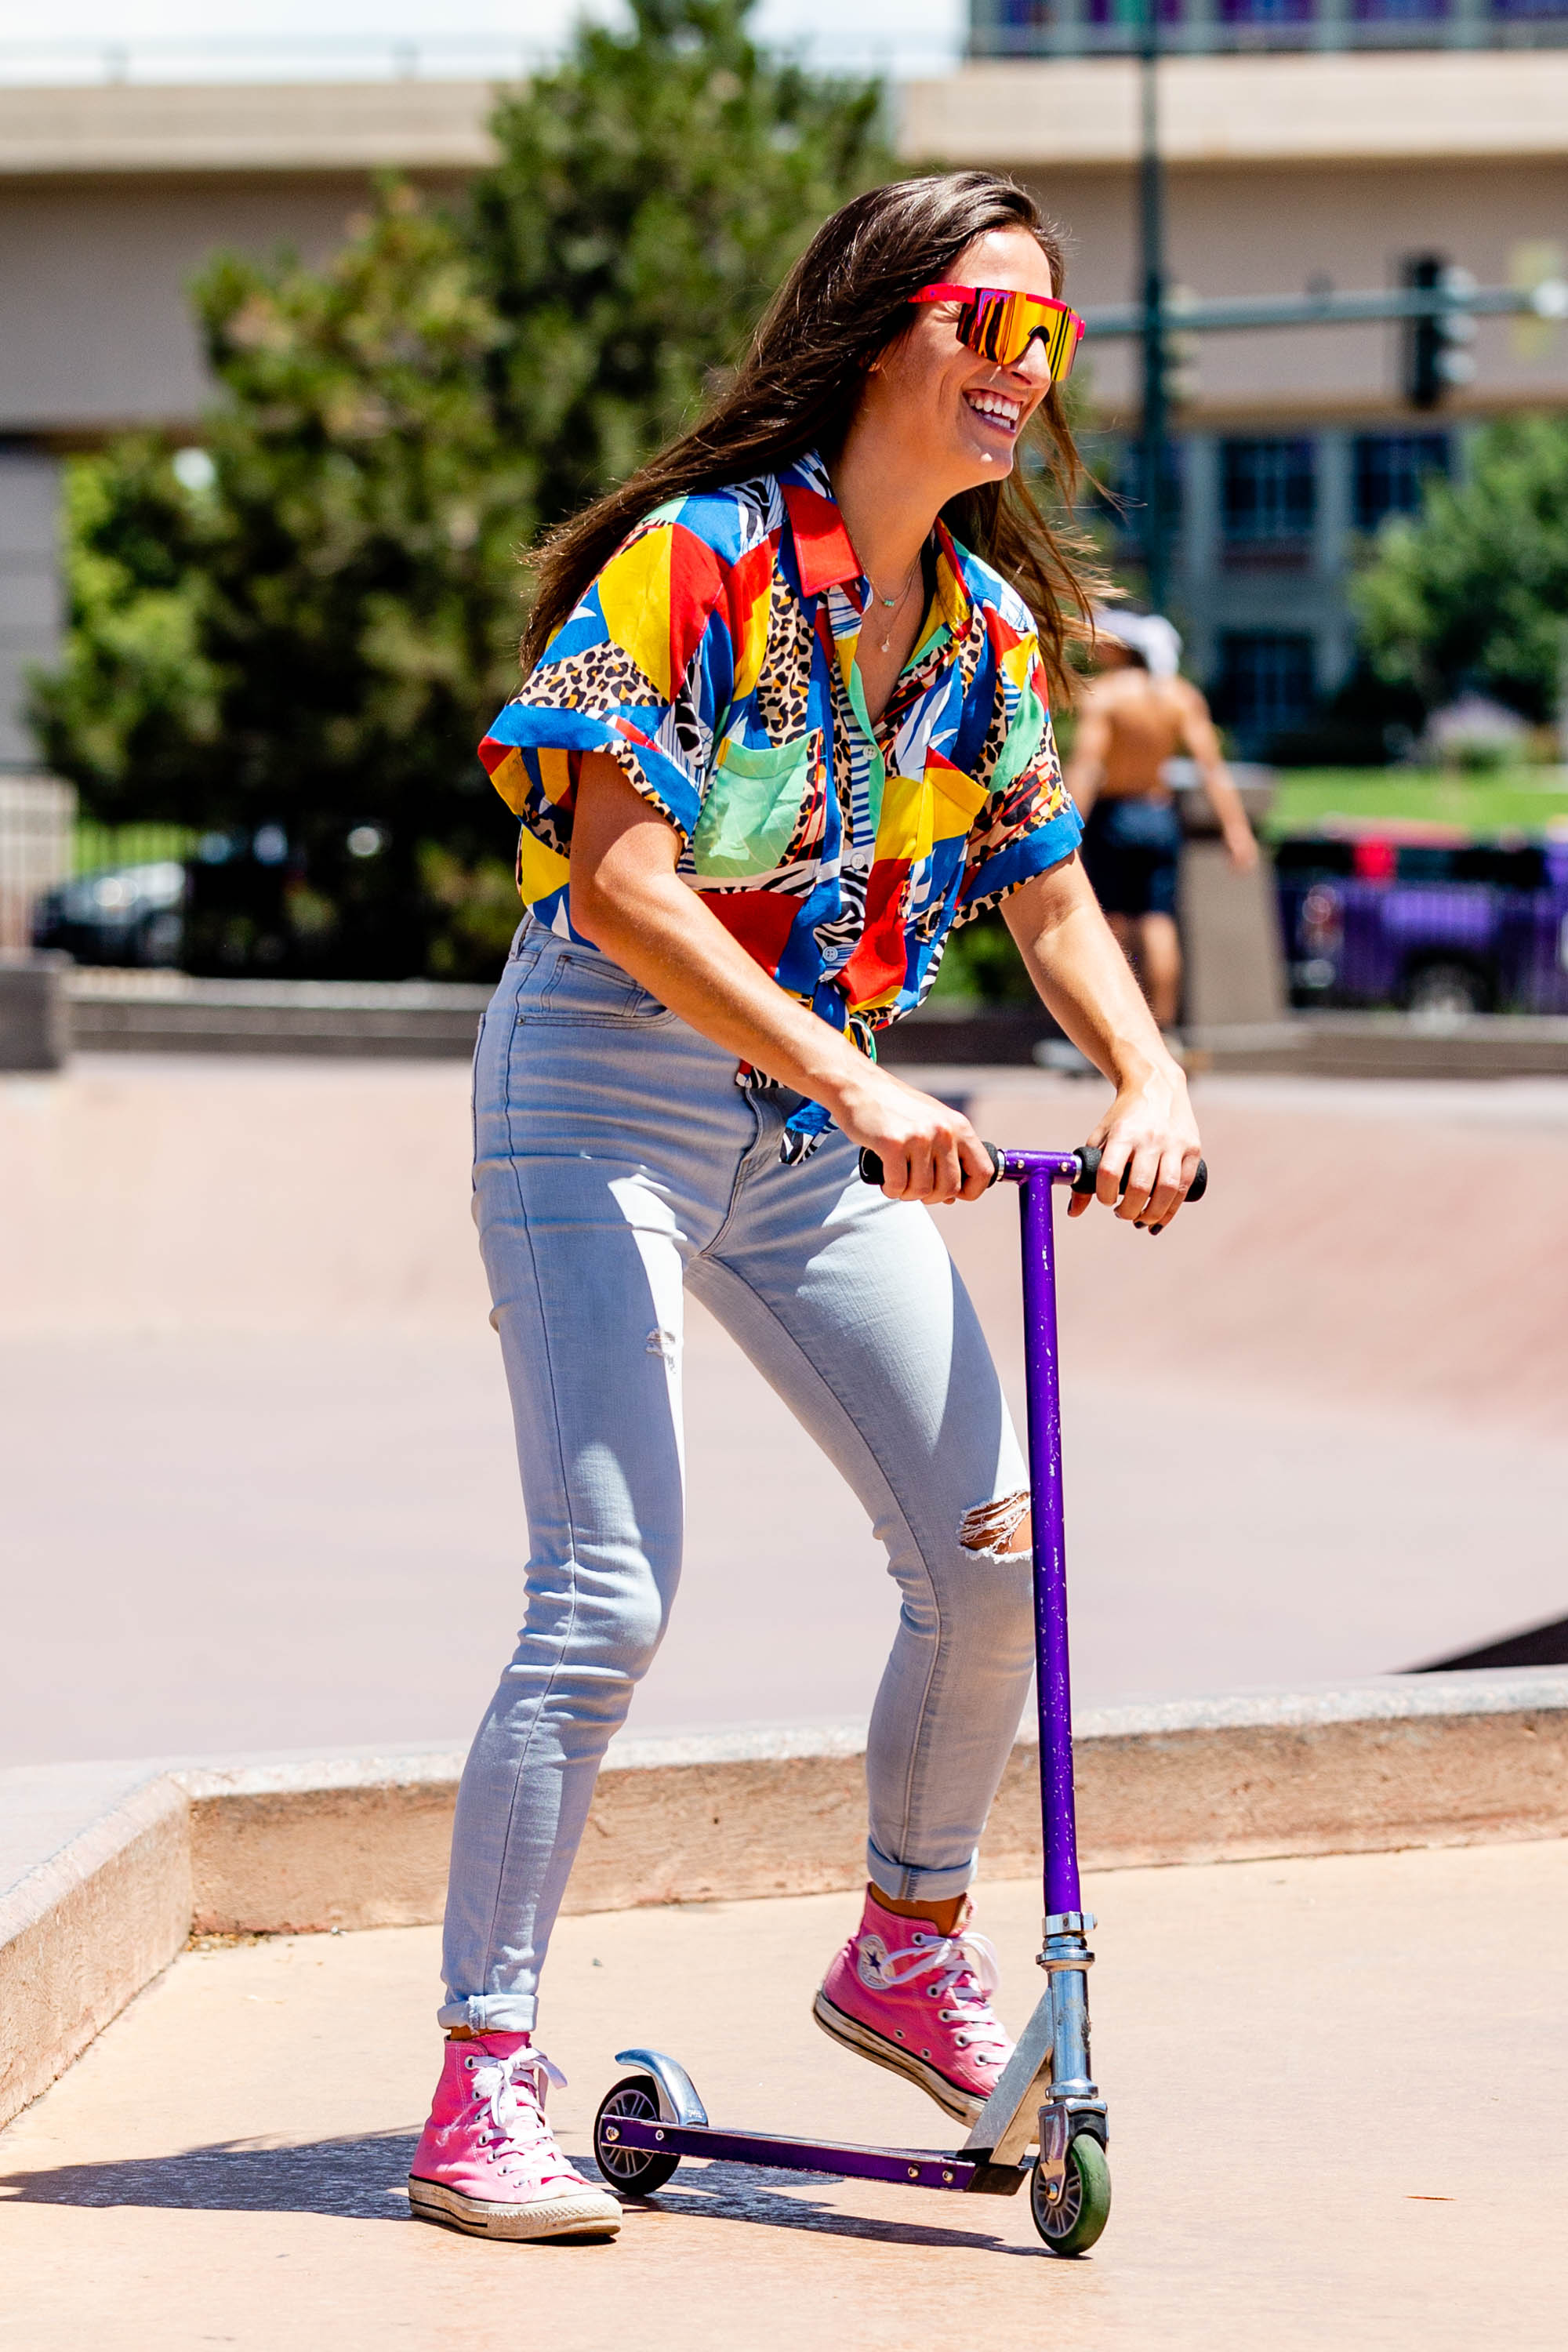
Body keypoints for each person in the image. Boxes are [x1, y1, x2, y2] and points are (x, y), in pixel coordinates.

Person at [407, 171, 1203, 2245]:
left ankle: (908, 1942)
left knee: (996, 1550)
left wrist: (1150, 1074)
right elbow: (622, 879)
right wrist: (860, 1073)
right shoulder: (701, 571)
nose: (1023, 374)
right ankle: (483, 2078)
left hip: (795, 1123)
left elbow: (1044, 892)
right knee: (608, 1591)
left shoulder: (988, 637)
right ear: (882, 328)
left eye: (1055, 343)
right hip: (599, 1083)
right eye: (989, 326)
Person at [1064, 611, 1258, 1033]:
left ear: (1123, 649)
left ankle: (1113, 1027)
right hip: (1158, 815)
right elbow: (1212, 767)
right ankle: (1164, 1029)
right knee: (1158, 922)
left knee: (1110, 922)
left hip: (1115, 817)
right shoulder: (1179, 696)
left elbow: (1086, 766)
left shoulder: (1106, 696)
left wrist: (1067, 828)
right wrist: (1236, 829)